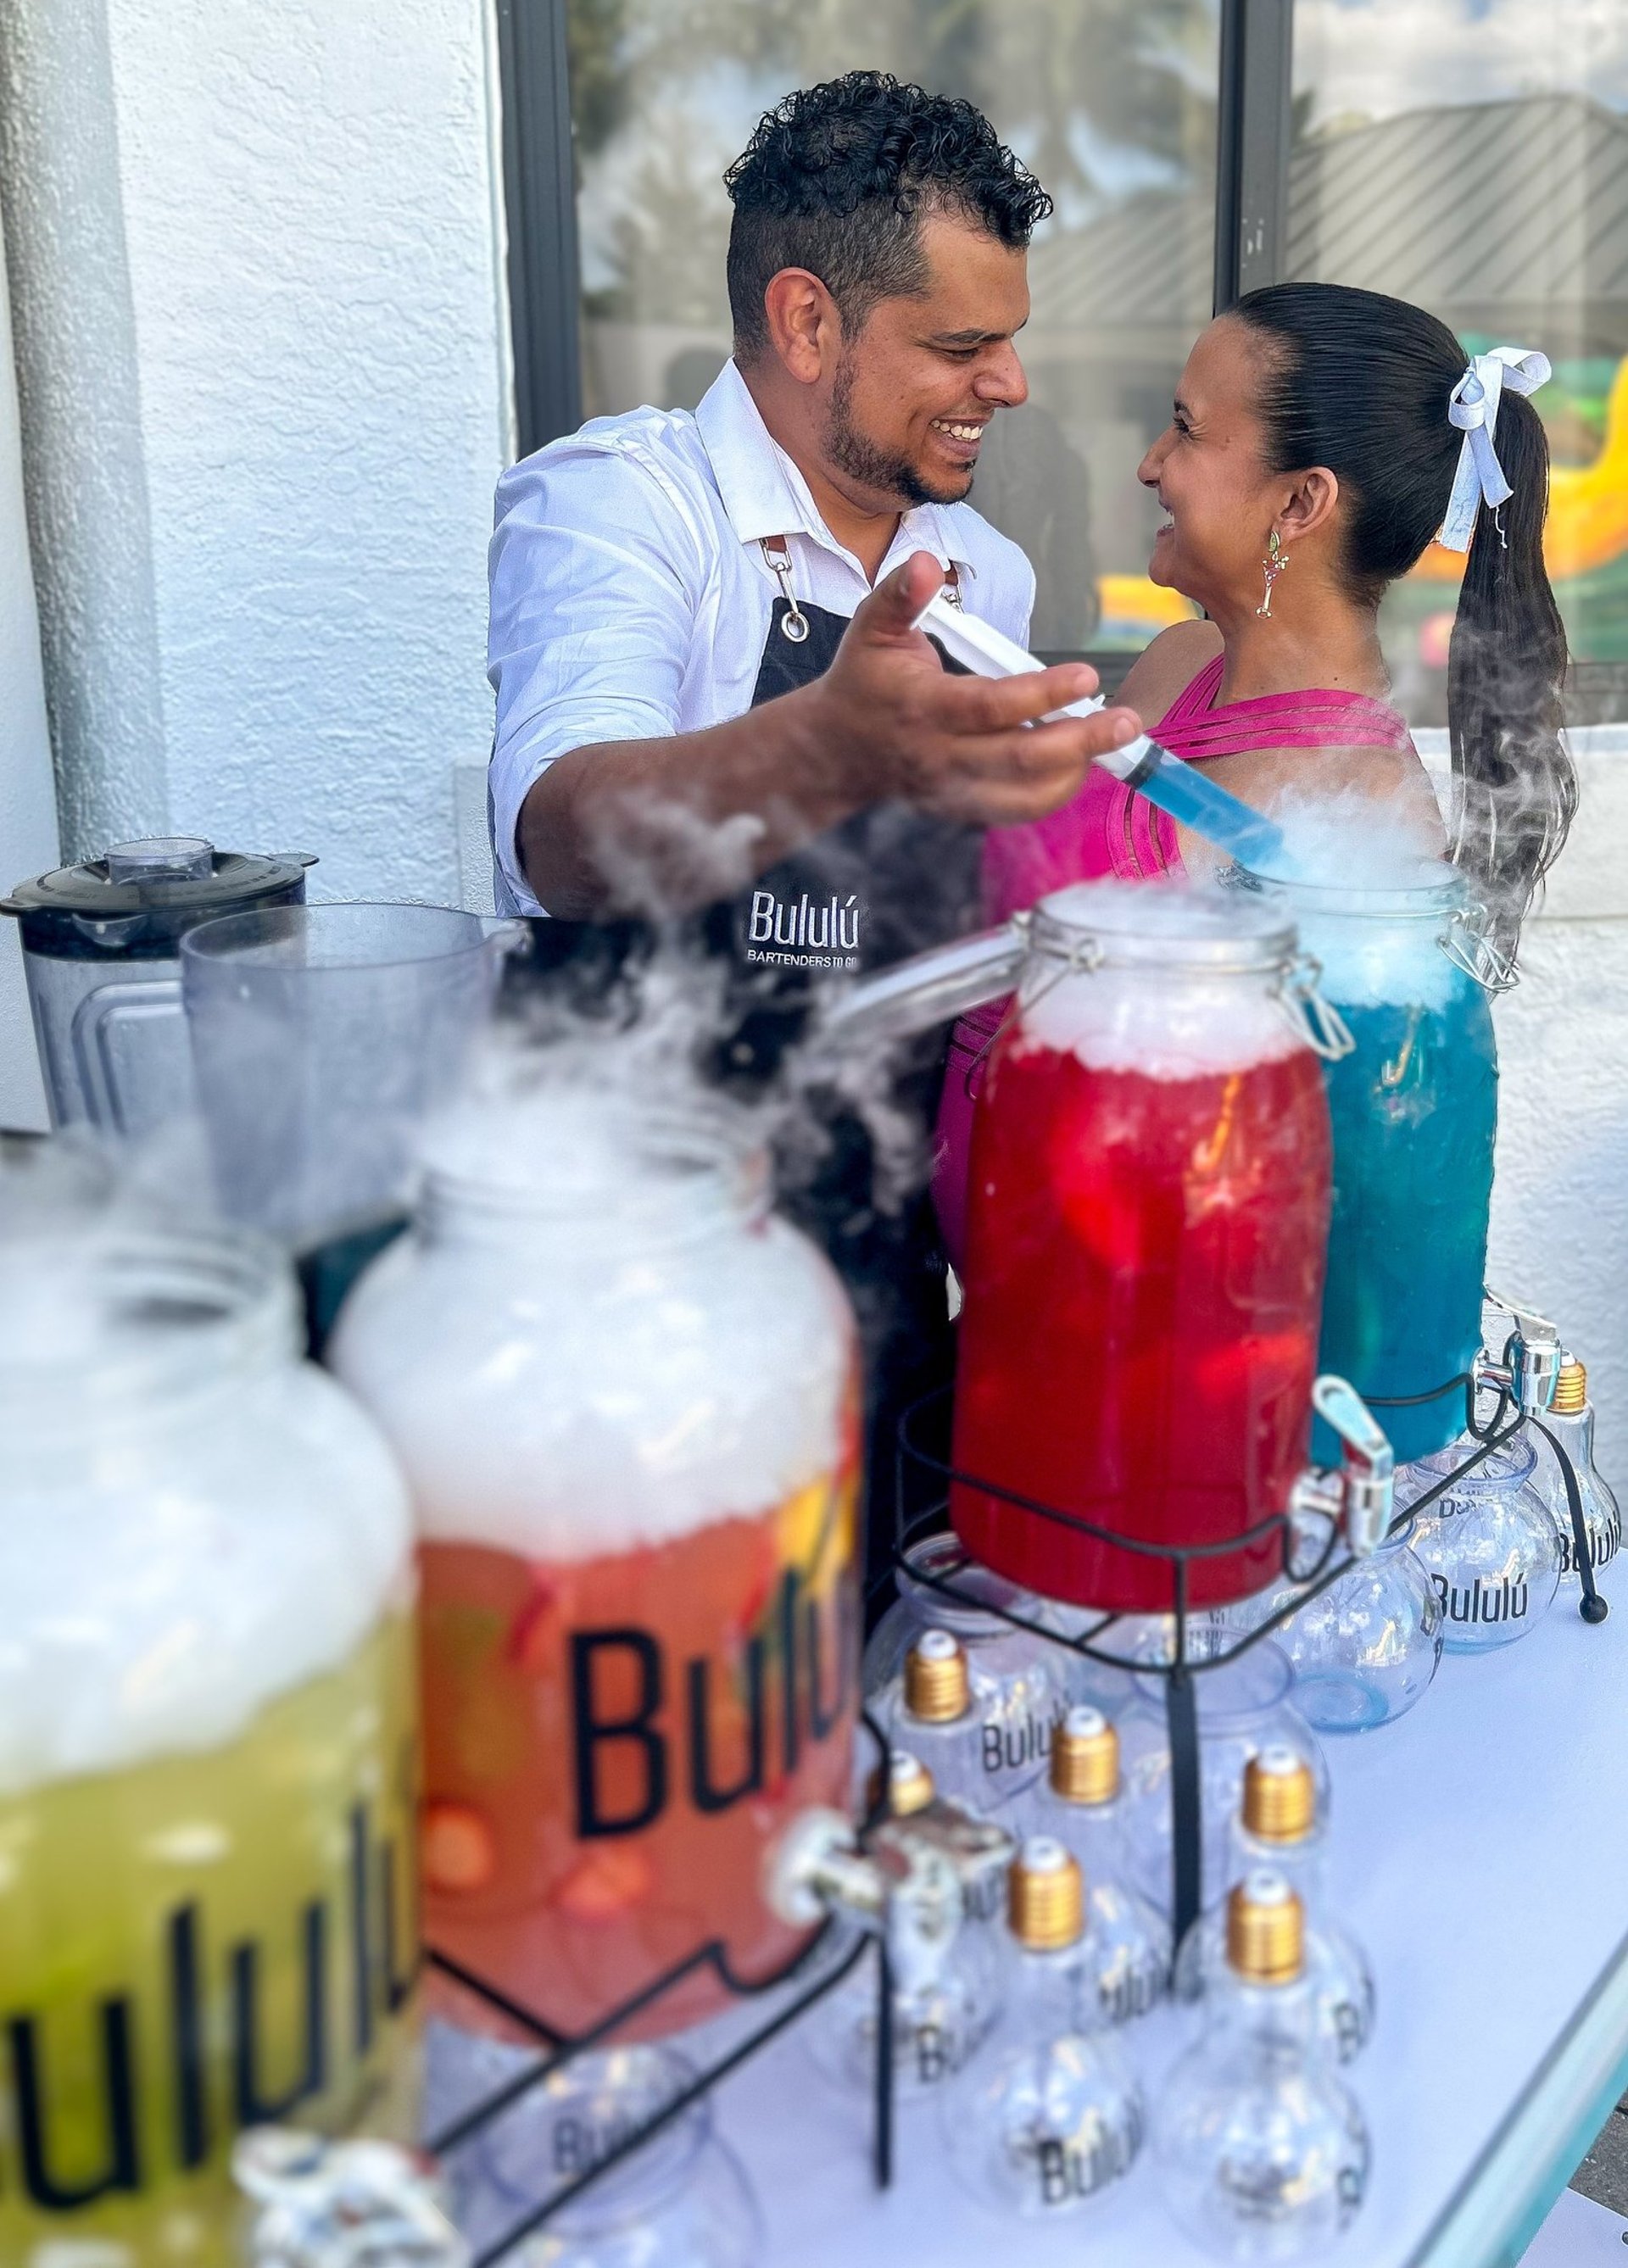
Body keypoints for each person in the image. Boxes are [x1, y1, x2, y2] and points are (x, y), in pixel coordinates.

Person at [485, 71, 1141, 1575]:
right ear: (806, 322)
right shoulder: (625, 507)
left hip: (886, 1267)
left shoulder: (982, 572)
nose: (1010, 384)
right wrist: (833, 748)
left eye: (1012, 340)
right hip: (637, 1282)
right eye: (961, 346)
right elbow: (558, 835)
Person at [934, 281, 1574, 1265]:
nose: (1150, 462)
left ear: (1301, 502)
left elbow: (1270, 1201)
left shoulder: (1362, 831)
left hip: (1120, 1325)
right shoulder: (1180, 662)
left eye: (1187, 429)